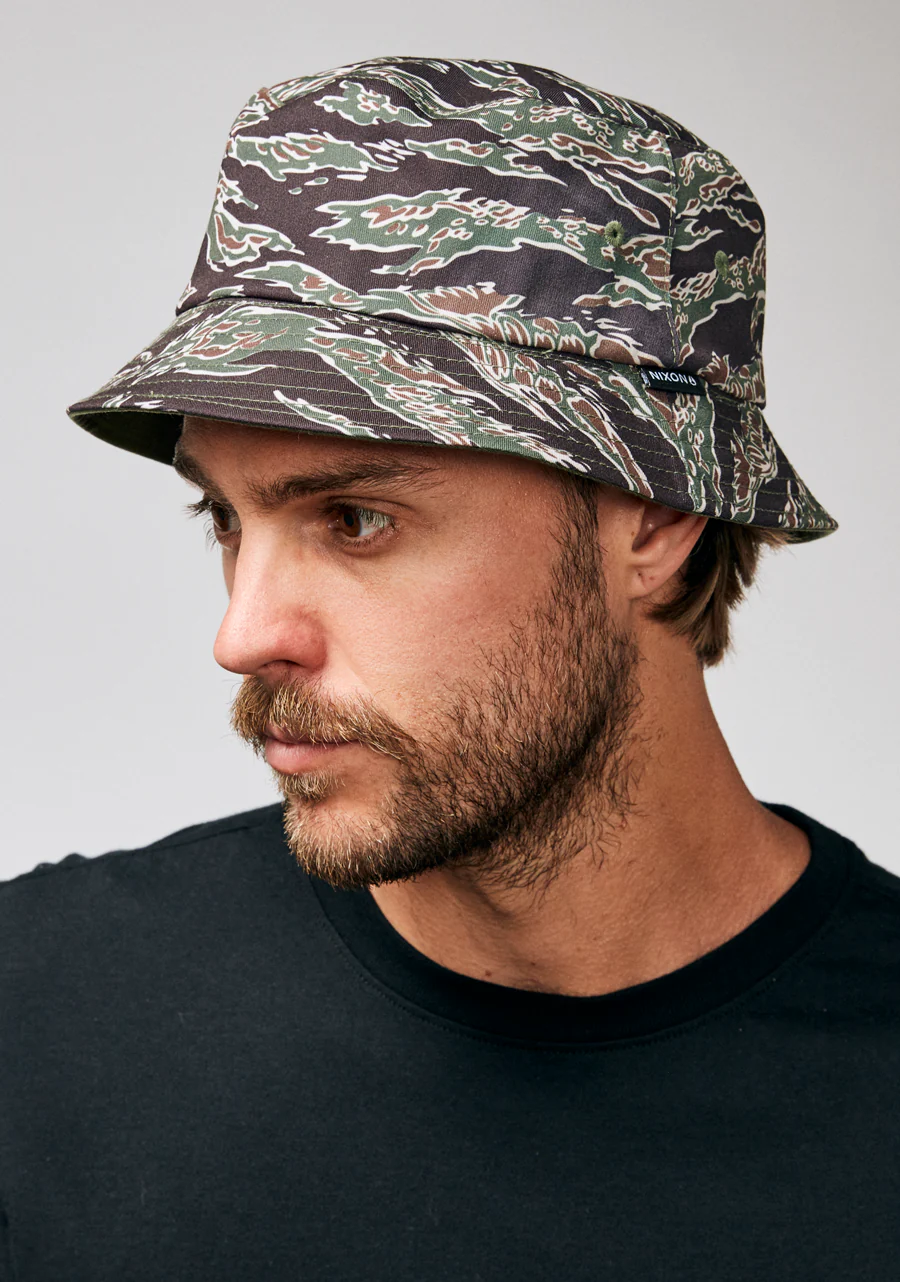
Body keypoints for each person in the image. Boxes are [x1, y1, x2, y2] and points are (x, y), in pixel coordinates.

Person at [1, 57, 897, 1281]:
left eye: (356, 519)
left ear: (657, 516)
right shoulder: (42, 1019)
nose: (243, 635)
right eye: (226, 519)